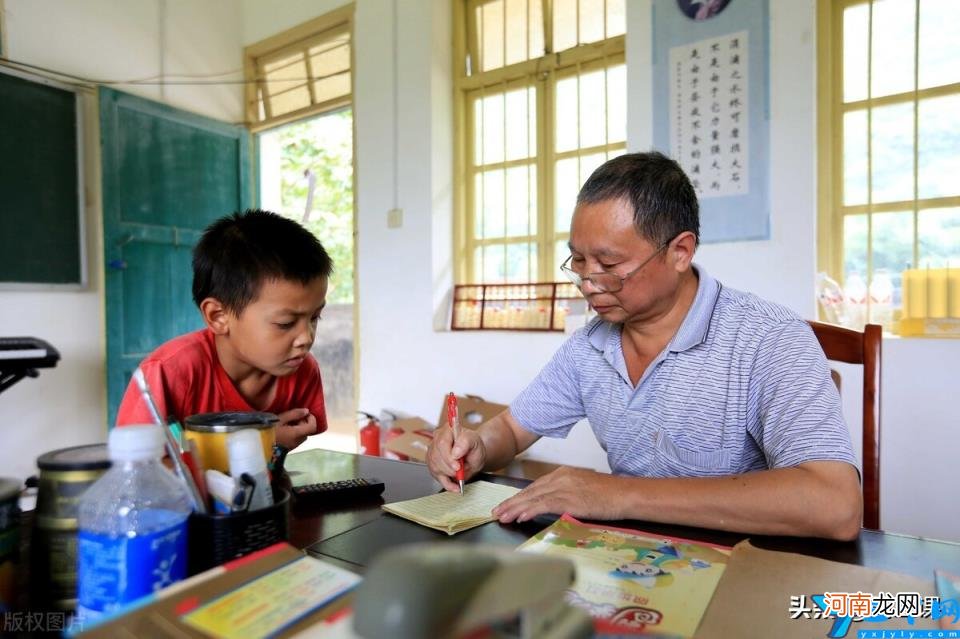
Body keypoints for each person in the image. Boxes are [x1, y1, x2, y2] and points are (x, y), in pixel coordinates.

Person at [427, 152, 863, 540]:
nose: (588, 282)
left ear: (680, 251)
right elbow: (510, 429)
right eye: (578, 261)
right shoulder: (590, 347)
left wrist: (617, 494)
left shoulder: (768, 338)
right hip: (631, 565)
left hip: (746, 570)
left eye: (610, 264)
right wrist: (477, 446)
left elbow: (834, 504)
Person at [116, 209, 332, 454]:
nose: (307, 338)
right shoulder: (168, 373)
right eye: (285, 323)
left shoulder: (302, 369)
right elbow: (136, 469)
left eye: (315, 317)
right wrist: (262, 440)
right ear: (218, 316)